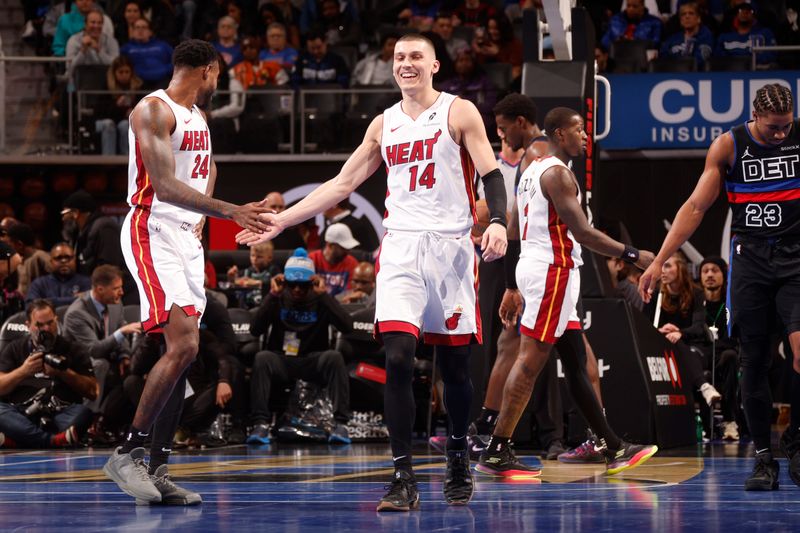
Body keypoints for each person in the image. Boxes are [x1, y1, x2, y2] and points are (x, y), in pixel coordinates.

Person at [237, 32, 509, 511]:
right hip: (400, 249)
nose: (406, 63)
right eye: (400, 57)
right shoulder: (383, 124)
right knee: (400, 358)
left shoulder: (458, 111)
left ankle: (459, 454)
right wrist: (281, 219)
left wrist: (501, 222)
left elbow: (490, 172)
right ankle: (402, 475)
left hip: (450, 251)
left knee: (454, 369)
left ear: (434, 65)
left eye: (416, 57)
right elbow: (341, 182)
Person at [103, 39, 269, 506]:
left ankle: (156, 470)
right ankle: (127, 452)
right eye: (220, 75)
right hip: (150, 228)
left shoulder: (198, 116)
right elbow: (163, 185)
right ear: (209, 70)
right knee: (186, 344)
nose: (220, 82)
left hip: (184, 235)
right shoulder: (153, 111)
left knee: (182, 355)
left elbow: (206, 167)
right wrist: (229, 211)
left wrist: (202, 216)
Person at [476, 107, 658, 478]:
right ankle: (496, 449)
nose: (585, 136)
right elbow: (584, 233)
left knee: (575, 360)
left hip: (536, 269)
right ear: (559, 134)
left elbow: (513, 232)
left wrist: (511, 284)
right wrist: (633, 254)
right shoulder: (557, 175)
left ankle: (611, 446)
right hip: (551, 272)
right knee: (529, 361)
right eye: (579, 129)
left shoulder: (530, 172)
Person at [639, 83, 799, 492]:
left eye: (786, 127)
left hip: (796, 258)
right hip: (750, 262)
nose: (781, 135)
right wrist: (659, 261)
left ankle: (795, 438)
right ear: (754, 116)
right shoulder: (728, 147)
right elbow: (695, 207)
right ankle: (764, 457)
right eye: (773, 129)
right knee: (754, 360)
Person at [247, 248, 353, 445]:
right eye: (292, 284)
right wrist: (272, 296)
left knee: (334, 357)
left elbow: (347, 327)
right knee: (262, 358)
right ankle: (260, 424)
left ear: (312, 283)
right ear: (284, 282)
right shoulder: (276, 296)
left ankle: (341, 425)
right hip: (283, 360)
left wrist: (324, 296)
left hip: (313, 359)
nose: (297, 290)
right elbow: (255, 330)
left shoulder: (321, 299)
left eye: (303, 286)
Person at [0, 299, 97, 448]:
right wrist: (23, 371)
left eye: (50, 323)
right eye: (39, 325)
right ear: (28, 326)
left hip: (61, 411)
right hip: (22, 412)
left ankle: (18, 440)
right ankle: (52, 441)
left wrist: (64, 373)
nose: (46, 328)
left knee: (84, 413)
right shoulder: (15, 348)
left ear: (57, 321)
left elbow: (92, 392)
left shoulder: (73, 348)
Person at [95, 56, 143, 156]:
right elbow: (99, 112)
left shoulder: (138, 87)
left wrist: (133, 111)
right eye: (121, 72)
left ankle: (127, 162)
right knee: (109, 124)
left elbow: (142, 110)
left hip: (126, 121)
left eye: (127, 72)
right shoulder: (106, 86)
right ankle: (108, 161)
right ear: (114, 73)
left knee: (125, 125)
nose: (124, 75)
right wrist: (116, 106)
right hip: (105, 120)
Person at [25, 243, 91, 306]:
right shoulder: (39, 284)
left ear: (74, 260)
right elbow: (30, 305)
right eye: (59, 258)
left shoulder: (86, 282)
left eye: (68, 257)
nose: (63, 261)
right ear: (51, 262)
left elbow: (91, 304)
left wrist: (45, 302)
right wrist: (75, 299)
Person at [65, 8, 120, 80]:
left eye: (99, 23)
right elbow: (70, 68)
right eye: (93, 22)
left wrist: (99, 51)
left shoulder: (111, 41)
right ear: (85, 24)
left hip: (105, 81)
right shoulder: (74, 40)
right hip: (80, 82)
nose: (96, 26)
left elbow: (116, 66)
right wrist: (83, 51)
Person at [120, 17, 174, 89]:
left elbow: (175, 61)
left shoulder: (163, 45)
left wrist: (166, 70)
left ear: (150, 32)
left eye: (144, 27)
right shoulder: (126, 48)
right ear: (132, 32)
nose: (140, 30)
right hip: (137, 81)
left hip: (163, 79)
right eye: (137, 27)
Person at [659, 1, 714, 70]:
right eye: (683, 14)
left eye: (691, 13)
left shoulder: (705, 36)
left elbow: (701, 60)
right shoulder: (673, 39)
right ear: (680, 20)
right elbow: (663, 58)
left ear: (698, 19)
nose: (687, 16)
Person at [309, 223, 360, 297]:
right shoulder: (312, 259)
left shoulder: (352, 263)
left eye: (348, 248)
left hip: (341, 307)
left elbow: (350, 295)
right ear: (330, 245)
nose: (347, 251)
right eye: (343, 248)